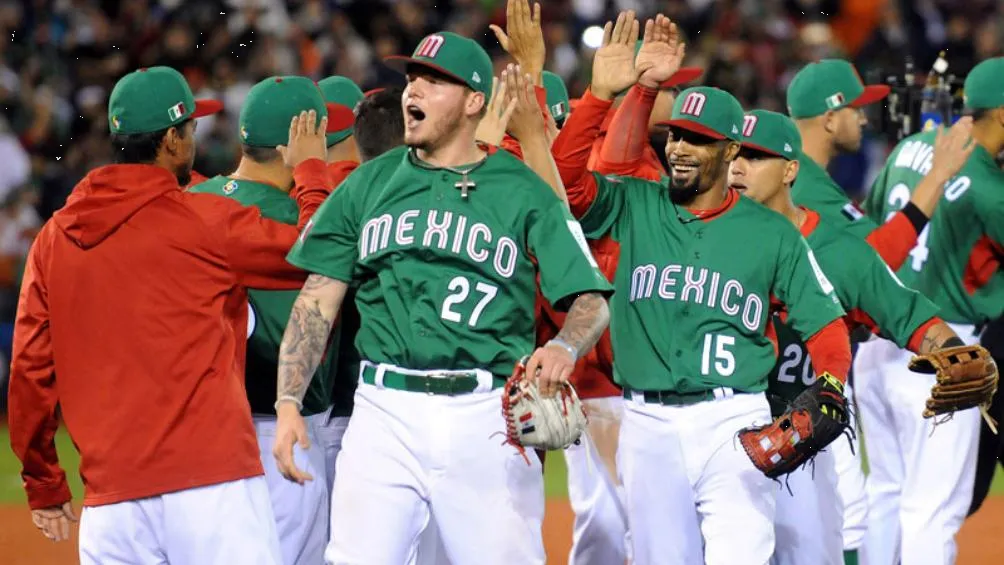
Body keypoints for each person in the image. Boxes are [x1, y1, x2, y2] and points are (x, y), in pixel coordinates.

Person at [272, 31, 613, 565]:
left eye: (434, 82)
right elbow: (316, 302)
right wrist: (289, 401)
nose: (414, 91)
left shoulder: (524, 192)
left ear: (475, 102)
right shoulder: (368, 185)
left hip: (485, 416)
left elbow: (590, 299)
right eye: (411, 79)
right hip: (382, 411)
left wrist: (567, 347)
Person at [540, 27, 854, 558]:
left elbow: (825, 323)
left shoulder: (771, 232)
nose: (680, 148)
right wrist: (605, 96)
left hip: (733, 423)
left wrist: (829, 388)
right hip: (645, 422)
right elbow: (565, 185)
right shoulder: (634, 203)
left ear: (731, 151)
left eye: (699, 139)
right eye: (676, 135)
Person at [7, 66, 334, 564]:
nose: (194, 142)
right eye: (190, 130)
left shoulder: (55, 237)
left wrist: (45, 482)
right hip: (212, 487)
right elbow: (317, 254)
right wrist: (311, 173)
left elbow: (30, 370)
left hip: (111, 504)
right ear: (171, 142)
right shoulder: (202, 220)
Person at [729, 109, 976, 565]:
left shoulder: (838, 253)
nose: (737, 167)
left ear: (789, 171)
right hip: (719, 433)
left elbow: (912, 317)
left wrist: (951, 352)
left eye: (754, 155)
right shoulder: (707, 238)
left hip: (801, 434)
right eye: (733, 154)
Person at [187, 75, 352, 565]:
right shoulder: (305, 215)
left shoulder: (191, 201)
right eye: (319, 135)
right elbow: (325, 252)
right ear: (293, 146)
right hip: (283, 431)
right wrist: (313, 174)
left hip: (200, 437)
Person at [858, 57, 1004, 565]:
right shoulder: (992, 189)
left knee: (886, 493)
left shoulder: (910, 148)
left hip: (878, 347)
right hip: (945, 348)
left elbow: (872, 234)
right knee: (932, 510)